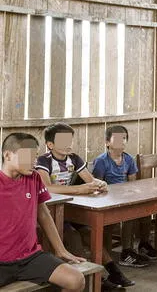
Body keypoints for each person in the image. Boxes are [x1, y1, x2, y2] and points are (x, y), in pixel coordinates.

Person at [35, 122, 133, 290]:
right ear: (50, 145)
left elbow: (90, 180)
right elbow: (46, 188)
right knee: (73, 236)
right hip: (50, 212)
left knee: (89, 232)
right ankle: (93, 280)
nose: (67, 145)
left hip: (72, 209)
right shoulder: (43, 161)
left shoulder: (74, 158)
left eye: (69, 140)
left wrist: (99, 183)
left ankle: (113, 271)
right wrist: (79, 189)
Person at [0, 133, 86, 291]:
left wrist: (61, 250)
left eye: (36, 157)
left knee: (76, 280)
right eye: (29, 156)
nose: (34, 161)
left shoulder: (34, 178)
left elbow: (44, 214)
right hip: (1, 262)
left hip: (30, 258)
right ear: (7, 155)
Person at [92, 125, 157, 267]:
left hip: (125, 197)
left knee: (145, 211)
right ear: (107, 142)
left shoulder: (128, 160)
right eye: (117, 139)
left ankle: (140, 246)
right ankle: (125, 253)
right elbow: (97, 186)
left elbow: (132, 183)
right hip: (108, 200)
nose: (122, 142)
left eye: (124, 139)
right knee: (128, 216)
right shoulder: (101, 161)